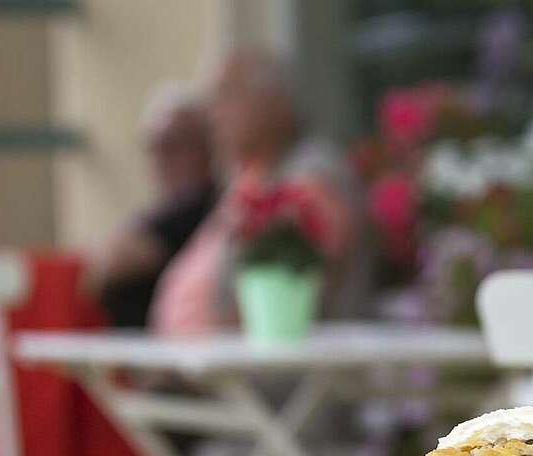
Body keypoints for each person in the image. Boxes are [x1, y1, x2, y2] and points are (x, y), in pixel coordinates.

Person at [150, 49, 364, 336]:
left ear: (274, 102)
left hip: (266, 374)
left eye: (225, 97)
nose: (212, 116)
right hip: (202, 365)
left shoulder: (314, 173)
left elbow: (288, 294)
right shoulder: (248, 177)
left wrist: (202, 351)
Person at [88, 86, 219, 328]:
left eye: (173, 145)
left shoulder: (202, 206)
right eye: (154, 147)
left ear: (206, 146)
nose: (162, 159)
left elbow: (111, 263)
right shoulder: (169, 208)